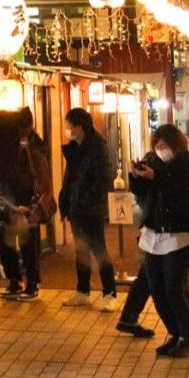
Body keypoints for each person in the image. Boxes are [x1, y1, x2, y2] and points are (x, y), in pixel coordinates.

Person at [127, 125, 189, 357]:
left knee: (174, 289)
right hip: (153, 234)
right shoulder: (152, 160)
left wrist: (156, 176)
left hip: (179, 235)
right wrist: (135, 176)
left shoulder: (187, 163)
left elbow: (182, 192)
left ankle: (188, 338)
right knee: (156, 288)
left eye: (164, 146)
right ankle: (174, 333)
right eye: (157, 146)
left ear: (175, 144)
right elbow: (142, 192)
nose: (160, 151)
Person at [59, 108, 118, 311]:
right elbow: (71, 179)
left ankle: (110, 293)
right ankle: (82, 291)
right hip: (76, 209)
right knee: (81, 250)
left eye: (69, 126)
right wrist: (66, 203)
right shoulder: (75, 147)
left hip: (91, 209)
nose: (67, 130)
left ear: (79, 126)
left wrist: (84, 201)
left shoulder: (97, 147)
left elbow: (103, 180)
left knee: (98, 249)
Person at [0, 180, 41, 302]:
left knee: (27, 243)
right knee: (4, 242)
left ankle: (32, 284)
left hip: (22, 195)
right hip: (2, 197)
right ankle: (14, 281)